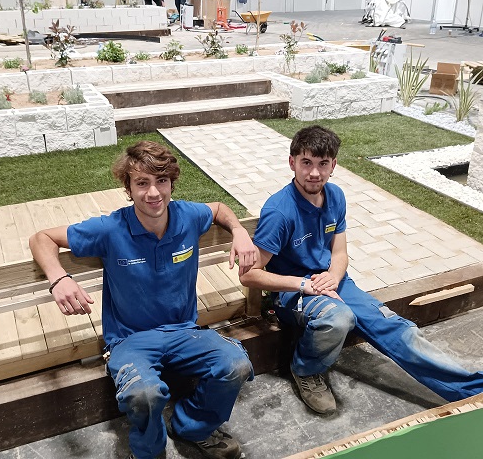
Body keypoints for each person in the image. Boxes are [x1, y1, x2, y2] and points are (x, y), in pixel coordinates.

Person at [29, 141, 255, 459]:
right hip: (129, 339)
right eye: (142, 183)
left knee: (236, 364)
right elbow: (41, 238)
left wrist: (239, 231)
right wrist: (59, 278)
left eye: (161, 181)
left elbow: (217, 208)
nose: (153, 193)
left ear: (172, 183)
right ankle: (148, 450)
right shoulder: (111, 229)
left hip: (183, 331)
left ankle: (194, 426)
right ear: (129, 188)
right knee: (144, 393)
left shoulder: (187, 216)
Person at [240, 125, 483, 414]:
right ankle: (306, 370)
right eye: (306, 163)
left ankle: (472, 389)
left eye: (323, 164)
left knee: (397, 328)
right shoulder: (279, 212)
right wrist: (305, 285)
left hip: (334, 281)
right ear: (292, 163)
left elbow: (340, 253)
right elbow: (249, 274)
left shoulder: (335, 197)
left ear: (333, 165)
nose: (314, 173)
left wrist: (333, 277)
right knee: (338, 318)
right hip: (295, 292)